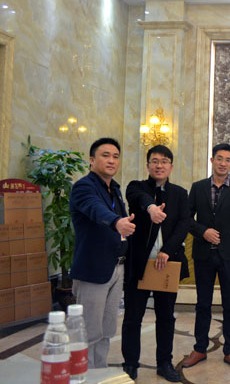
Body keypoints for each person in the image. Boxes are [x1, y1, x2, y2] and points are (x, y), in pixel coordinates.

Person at [121, 145, 191, 382]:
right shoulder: (136, 187)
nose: (159, 165)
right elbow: (139, 199)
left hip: (166, 265)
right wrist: (151, 208)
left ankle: (164, 363)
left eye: (164, 161)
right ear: (148, 165)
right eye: (154, 161)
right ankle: (130, 363)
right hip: (139, 264)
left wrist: (167, 251)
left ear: (171, 166)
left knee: (166, 316)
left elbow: (184, 224)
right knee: (133, 316)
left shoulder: (180, 194)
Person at [182, 143, 230, 371]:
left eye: (228, 160)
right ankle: (199, 348)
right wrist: (202, 231)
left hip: (228, 254)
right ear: (212, 160)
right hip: (203, 254)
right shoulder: (198, 187)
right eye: (219, 159)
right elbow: (186, 218)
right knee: (203, 304)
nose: (223, 163)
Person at [70, 137, 135, 368]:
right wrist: (116, 222)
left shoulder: (114, 189)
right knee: (89, 329)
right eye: (105, 155)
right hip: (93, 269)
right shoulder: (84, 187)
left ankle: (99, 370)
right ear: (91, 160)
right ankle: (84, 374)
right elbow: (95, 208)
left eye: (115, 156)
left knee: (107, 328)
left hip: (116, 267)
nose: (111, 160)